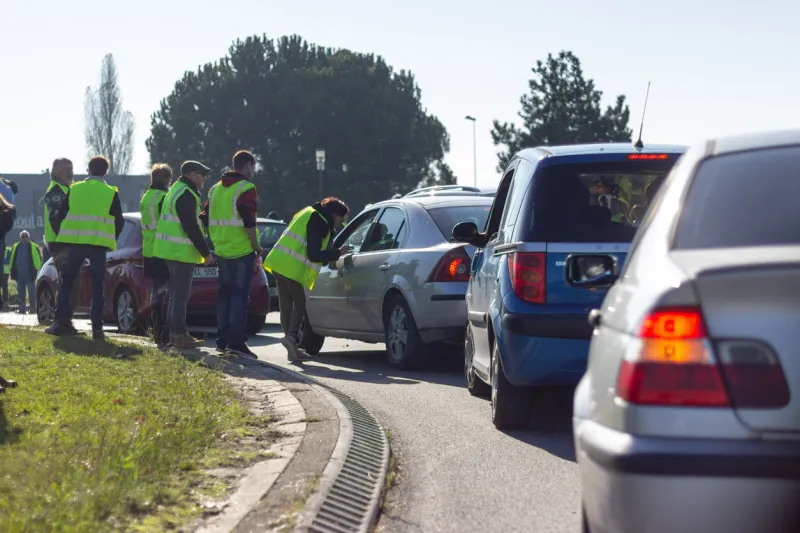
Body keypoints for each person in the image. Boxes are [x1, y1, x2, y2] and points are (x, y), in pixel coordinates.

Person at [264, 197, 352, 362]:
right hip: (290, 266)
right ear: (334, 215)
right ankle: (291, 338)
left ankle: (292, 348)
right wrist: (337, 253)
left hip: (278, 261)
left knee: (286, 305)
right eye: (340, 219)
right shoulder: (319, 221)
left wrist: (330, 255)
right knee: (300, 302)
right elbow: (314, 254)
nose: (340, 224)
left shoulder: (308, 212)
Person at [46, 156, 124, 340]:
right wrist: (111, 239)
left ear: (88, 170)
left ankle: (60, 319)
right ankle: (97, 328)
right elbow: (119, 221)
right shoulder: (111, 192)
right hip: (98, 246)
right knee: (98, 287)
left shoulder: (74, 189)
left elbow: (61, 215)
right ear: (105, 172)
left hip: (76, 244)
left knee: (67, 282)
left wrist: (65, 237)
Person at [205, 150, 262, 357]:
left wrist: (213, 238)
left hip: (222, 249)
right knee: (239, 296)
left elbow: (204, 216)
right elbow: (248, 219)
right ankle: (236, 342)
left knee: (224, 295)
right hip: (241, 249)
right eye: (253, 167)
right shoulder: (246, 188)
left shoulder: (215, 190)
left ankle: (222, 340)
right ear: (247, 165)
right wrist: (256, 244)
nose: (253, 172)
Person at [153, 161, 213, 349]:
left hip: (170, 251)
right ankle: (179, 334)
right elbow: (191, 227)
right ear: (192, 174)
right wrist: (206, 253)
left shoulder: (176, 190)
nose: (203, 179)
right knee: (181, 295)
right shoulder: (186, 193)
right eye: (202, 175)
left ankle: (173, 333)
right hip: (180, 252)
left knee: (176, 295)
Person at [43, 158, 80, 332]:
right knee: (68, 284)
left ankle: (65, 321)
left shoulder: (66, 189)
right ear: (56, 171)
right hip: (61, 244)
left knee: (72, 285)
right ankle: (60, 322)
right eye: (66, 169)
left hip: (67, 243)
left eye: (71, 168)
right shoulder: (56, 191)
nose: (70, 172)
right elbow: (55, 219)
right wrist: (67, 238)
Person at [140, 163, 173, 349]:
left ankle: (156, 331)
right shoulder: (164, 198)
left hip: (149, 250)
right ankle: (164, 332)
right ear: (167, 179)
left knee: (156, 293)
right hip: (163, 249)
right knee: (167, 294)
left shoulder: (146, 197)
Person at [9, 231, 42, 314]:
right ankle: (22, 309)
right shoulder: (16, 246)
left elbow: (39, 258)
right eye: (23, 236)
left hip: (30, 275)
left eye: (26, 236)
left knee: (32, 293)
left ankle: (33, 309)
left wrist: (37, 269)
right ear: (20, 237)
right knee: (21, 293)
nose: (24, 238)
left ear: (28, 237)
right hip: (19, 275)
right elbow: (12, 259)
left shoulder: (33, 246)